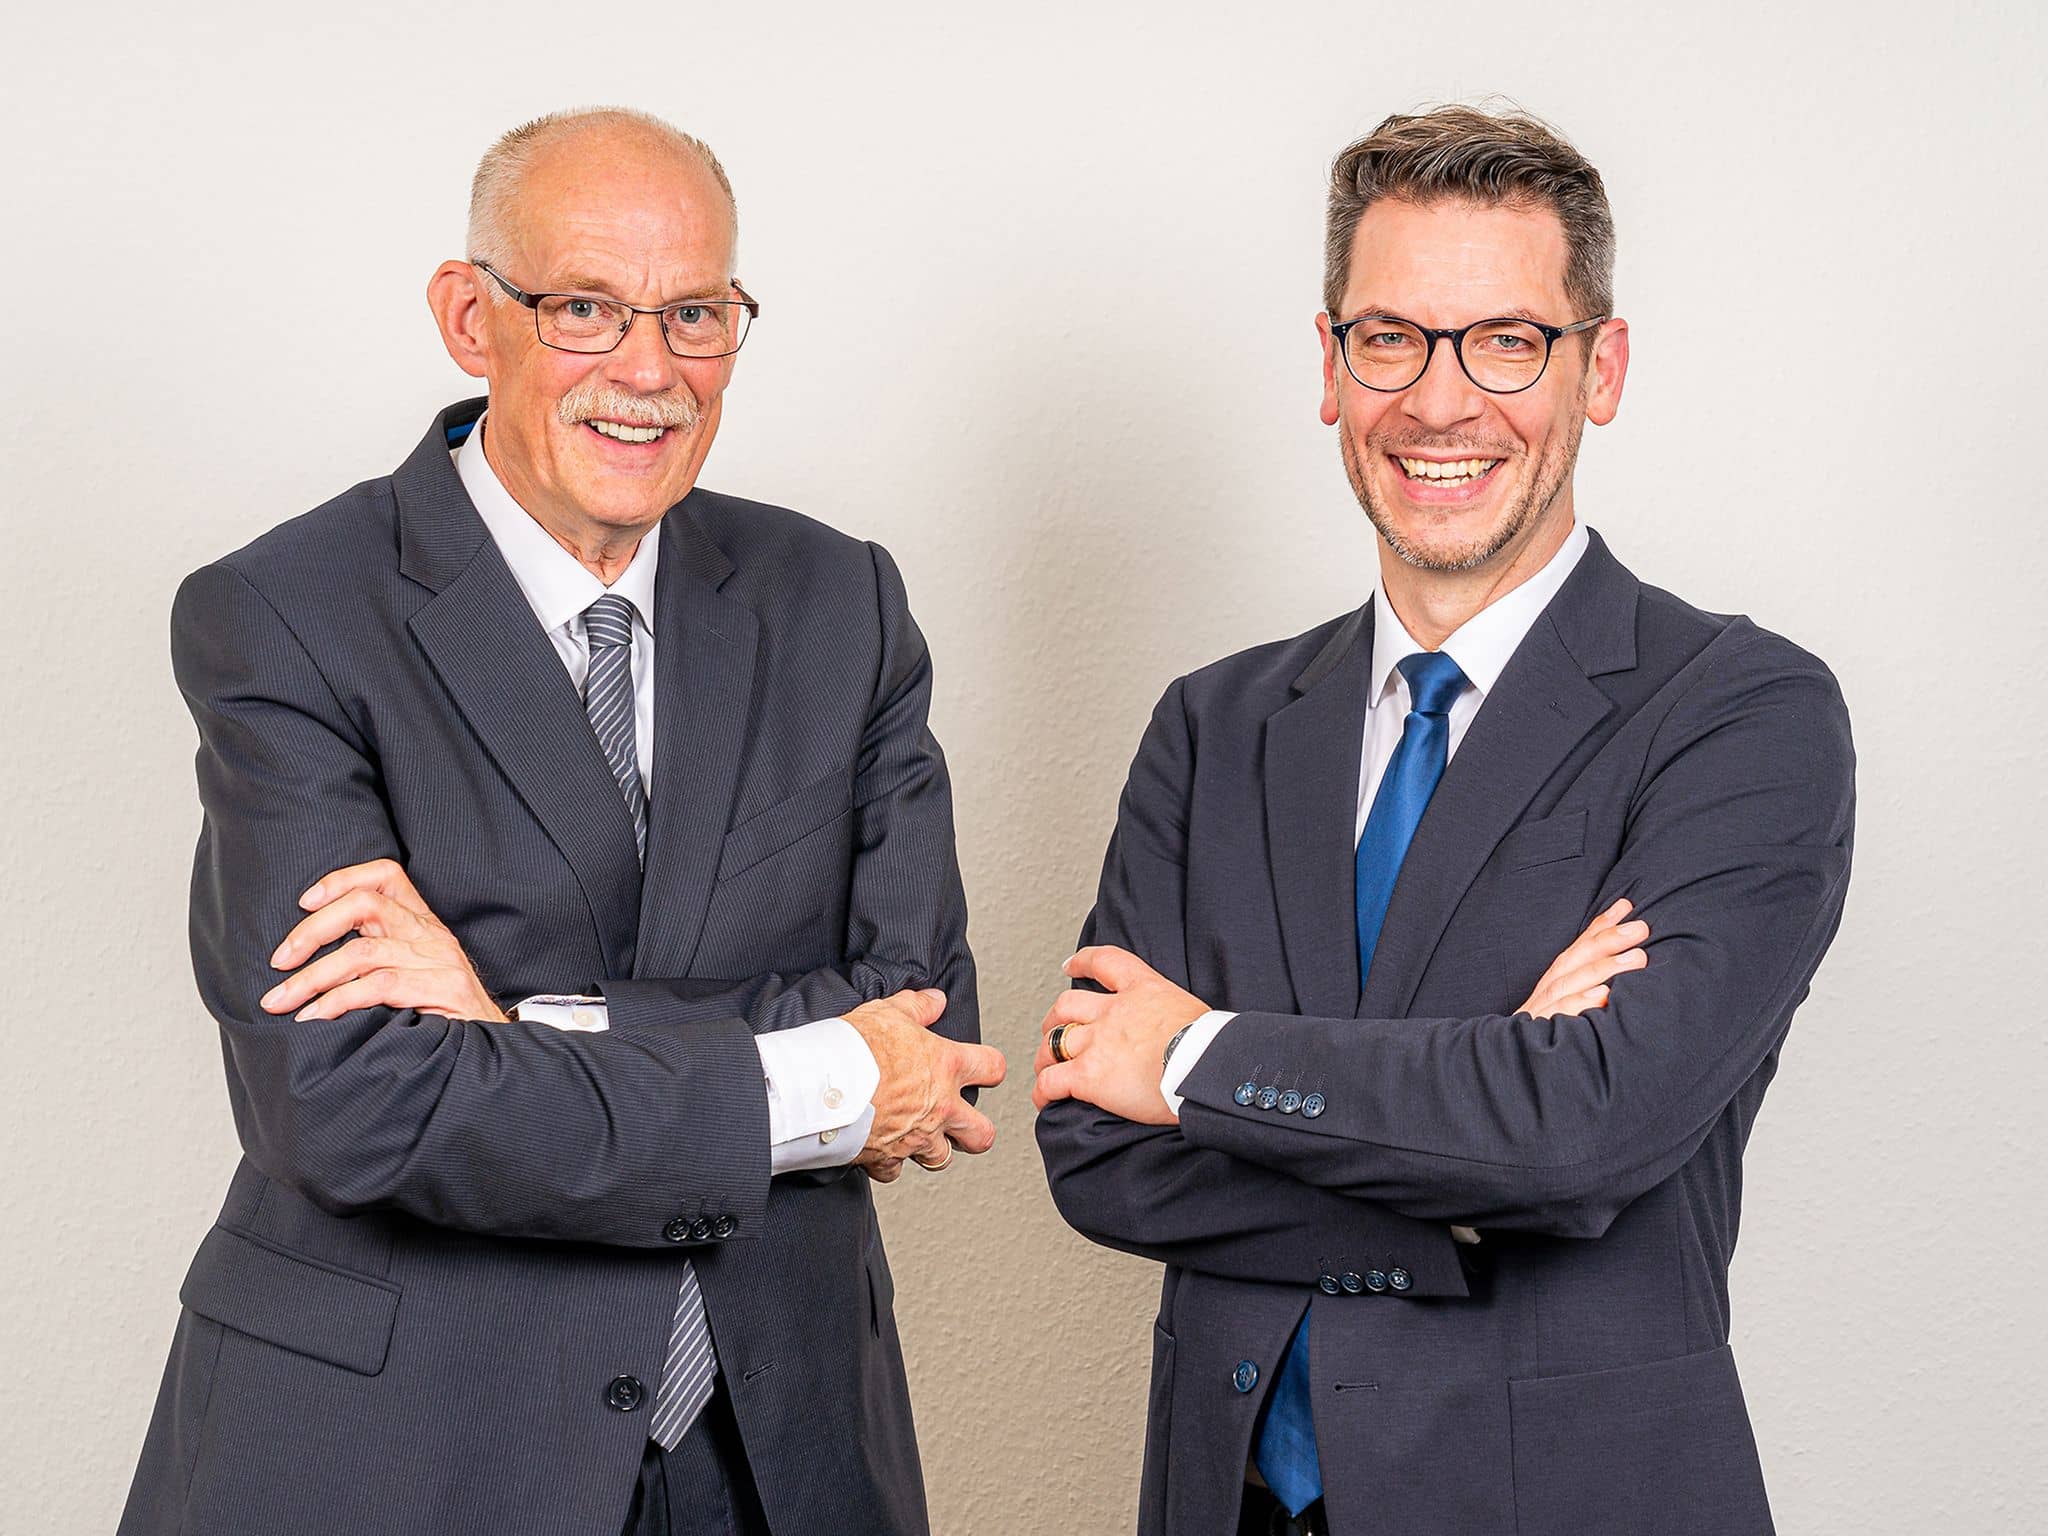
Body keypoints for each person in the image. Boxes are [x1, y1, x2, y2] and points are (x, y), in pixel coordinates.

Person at [119, 107, 1004, 1536]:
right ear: (470, 317)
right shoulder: (285, 613)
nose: (648, 372)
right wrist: (815, 1076)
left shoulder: (840, 601)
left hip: (778, 1451)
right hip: (406, 1449)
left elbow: (927, 1024)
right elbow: (348, 1101)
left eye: (696, 314)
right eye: (584, 308)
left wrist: (528, 1029)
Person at [1034, 104, 1853, 1536]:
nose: (1440, 402)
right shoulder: (1215, 725)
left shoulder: (1741, 712)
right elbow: (1097, 1153)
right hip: (1228, 1501)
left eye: (1507, 342)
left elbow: (1589, 1134)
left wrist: (1192, 1056)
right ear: (1331, 365)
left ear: (1601, 368)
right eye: (1391, 339)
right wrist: (1477, 1173)